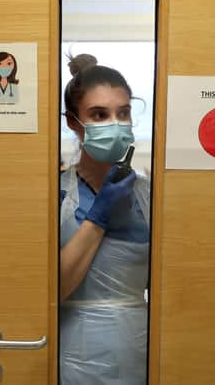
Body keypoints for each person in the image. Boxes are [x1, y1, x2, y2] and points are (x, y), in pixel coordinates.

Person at [59, 53, 150, 384]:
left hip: (138, 355)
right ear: (72, 121)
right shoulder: (53, 196)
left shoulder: (150, 195)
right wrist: (98, 217)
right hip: (72, 360)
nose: (115, 123)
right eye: (99, 114)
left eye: (122, 113)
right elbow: (51, 290)